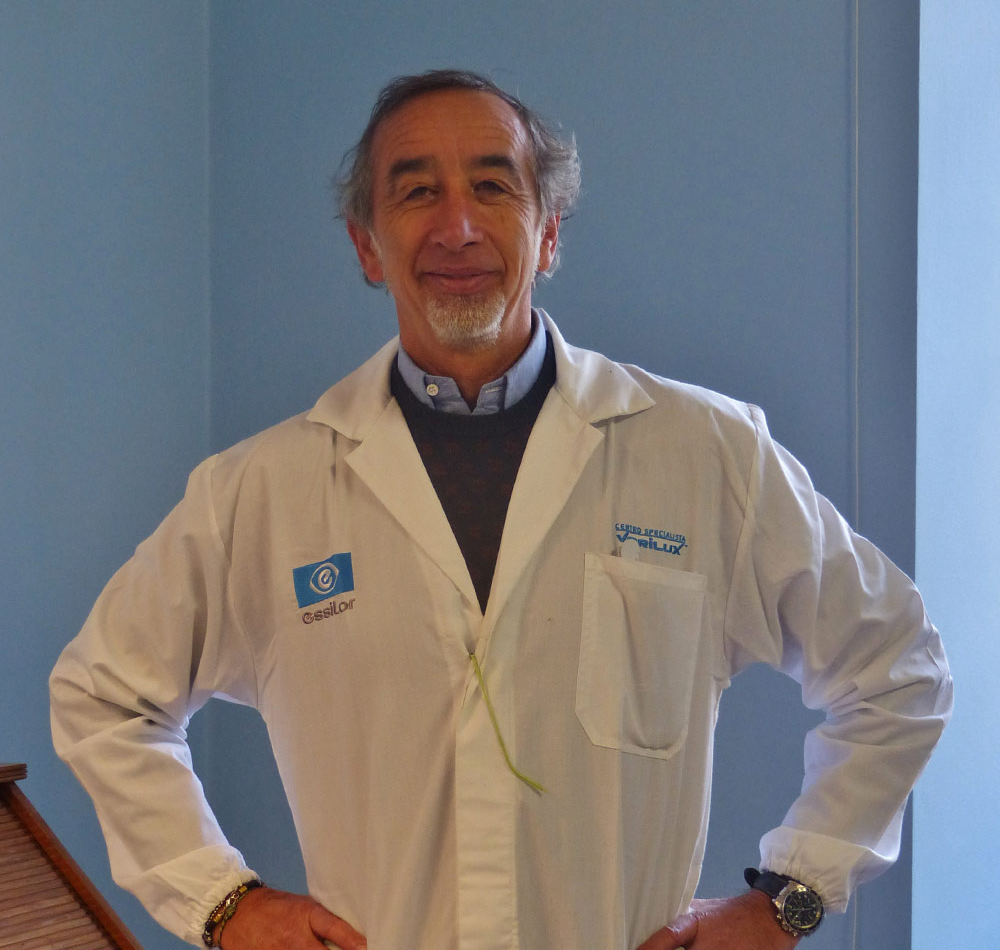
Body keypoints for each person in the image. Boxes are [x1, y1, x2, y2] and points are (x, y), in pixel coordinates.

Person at [50, 69, 952, 950]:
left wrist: (790, 898)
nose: (457, 226)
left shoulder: (708, 455)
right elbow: (102, 695)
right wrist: (221, 902)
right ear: (367, 247)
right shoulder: (261, 492)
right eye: (416, 192)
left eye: (493, 186)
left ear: (548, 232)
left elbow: (897, 666)